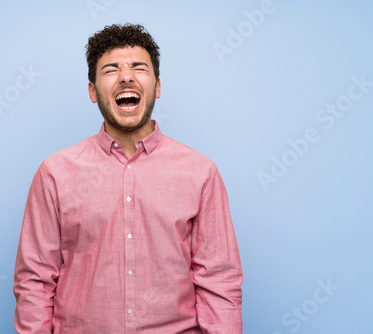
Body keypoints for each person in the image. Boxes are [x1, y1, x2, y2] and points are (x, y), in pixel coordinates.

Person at [13, 23, 243, 333]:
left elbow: (220, 282)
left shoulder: (200, 173)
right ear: (93, 91)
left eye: (138, 67)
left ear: (157, 87)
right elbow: (34, 282)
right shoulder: (54, 173)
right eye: (111, 69)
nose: (126, 76)